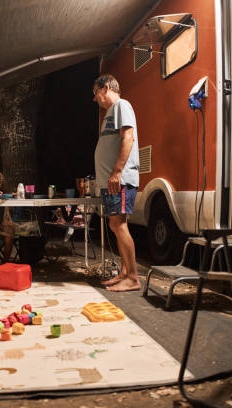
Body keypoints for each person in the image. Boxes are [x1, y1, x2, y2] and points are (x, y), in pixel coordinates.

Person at [92, 74, 141, 292]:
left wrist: (117, 172)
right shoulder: (110, 113)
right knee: (115, 224)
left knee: (119, 225)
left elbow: (128, 137)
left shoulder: (122, 105)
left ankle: (133, 277)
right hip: (112, 182)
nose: (95, 99)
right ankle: (123, 272)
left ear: (105, 88)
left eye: (95, 93)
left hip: (119, 180)